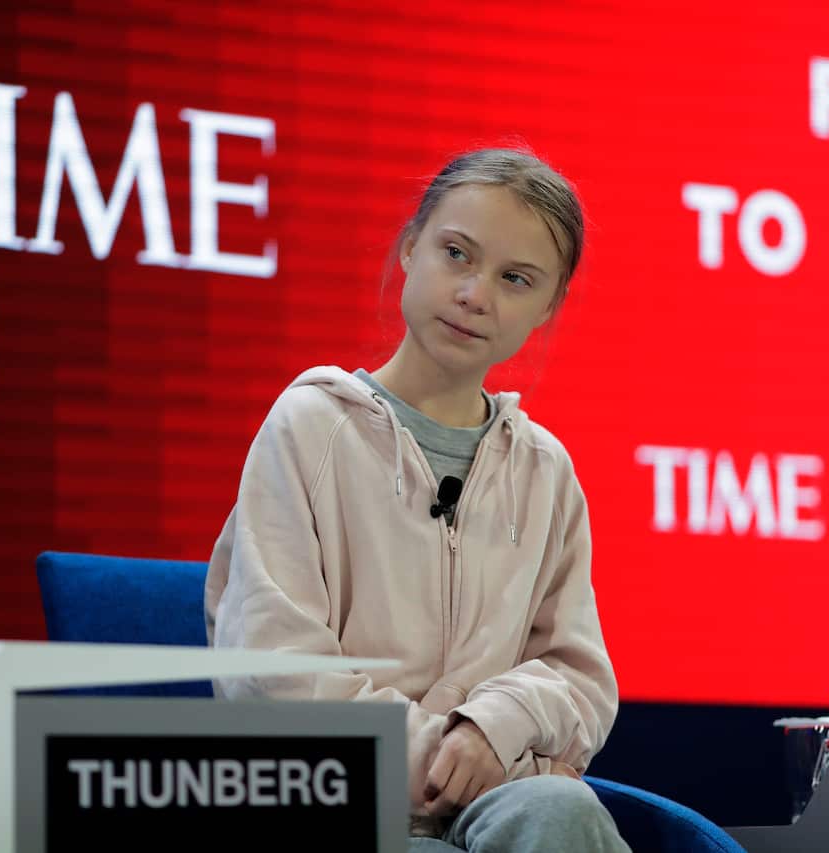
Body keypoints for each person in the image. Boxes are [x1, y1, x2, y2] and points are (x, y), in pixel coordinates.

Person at [204, 147, 629, 852]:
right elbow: (272, 676)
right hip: (337, 801)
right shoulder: (309, 427)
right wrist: (460, 757)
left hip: (494, 799)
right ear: (410, 247)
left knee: (565, 815)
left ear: (547, 304)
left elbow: (576, 675)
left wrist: (501, 720)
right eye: (457, 254)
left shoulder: (545, 470)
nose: (475, 294)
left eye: (515, 278)